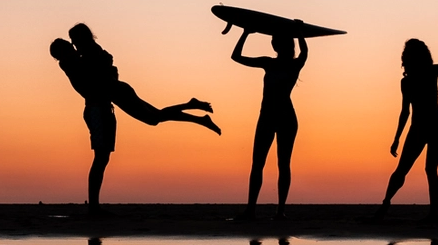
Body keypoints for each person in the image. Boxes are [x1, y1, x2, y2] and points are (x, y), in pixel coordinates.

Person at [52, 23, 218, 210]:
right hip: (103, 105)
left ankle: (93, 206)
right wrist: (105, 70)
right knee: (153, 119)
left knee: (109, 152)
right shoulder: (73, 61)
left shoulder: (85, 55)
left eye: (72, 41)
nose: (73, 45)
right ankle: (194, 110)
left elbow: (104, 67)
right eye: (69, 44)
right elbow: (102, 68)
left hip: (109, 101)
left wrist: (105, 70)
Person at [381, 26, 438, 209]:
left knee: (430, 169)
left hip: (436, 126)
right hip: (418, 128)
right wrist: (396, 138)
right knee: (402, 170)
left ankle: (433, 213)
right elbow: (405, 112)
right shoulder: (406, 82)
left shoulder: (431, 71)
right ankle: (385, 204)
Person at [232, 26, 309, 217]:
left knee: (283, 163)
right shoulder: (270, 63)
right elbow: (236, 57)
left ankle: (279, 211)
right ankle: (251, 209)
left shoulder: (294, 64)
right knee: (258, 163)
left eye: (275, 41)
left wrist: (298, 32)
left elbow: (305, 51)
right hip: (268, 116)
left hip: (284, 118)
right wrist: (245, 33)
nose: (273, 43)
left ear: (278, 44)